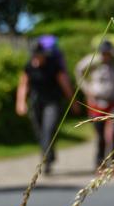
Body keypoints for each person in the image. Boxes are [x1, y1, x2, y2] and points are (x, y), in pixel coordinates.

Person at [15, 42, 76, 174]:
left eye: (38, 56)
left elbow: (64, 84)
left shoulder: (53, 66)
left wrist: (73, 102)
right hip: (36, 103)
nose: (36, 59)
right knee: (40, 132)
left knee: (48, 129)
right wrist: (20, 102)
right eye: (34, 56)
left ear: (43, 56)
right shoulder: (29, 66)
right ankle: (49, 154)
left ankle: (47, 160)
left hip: (52, 102)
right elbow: (23, 85)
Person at [75, 40, 114, 169]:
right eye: (103, 53)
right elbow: (78, 71)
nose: (106, 56)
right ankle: (100, 162)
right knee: (100, 134)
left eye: (108, 53)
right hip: (97, 102)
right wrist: (87, 89)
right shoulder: (93, 61)